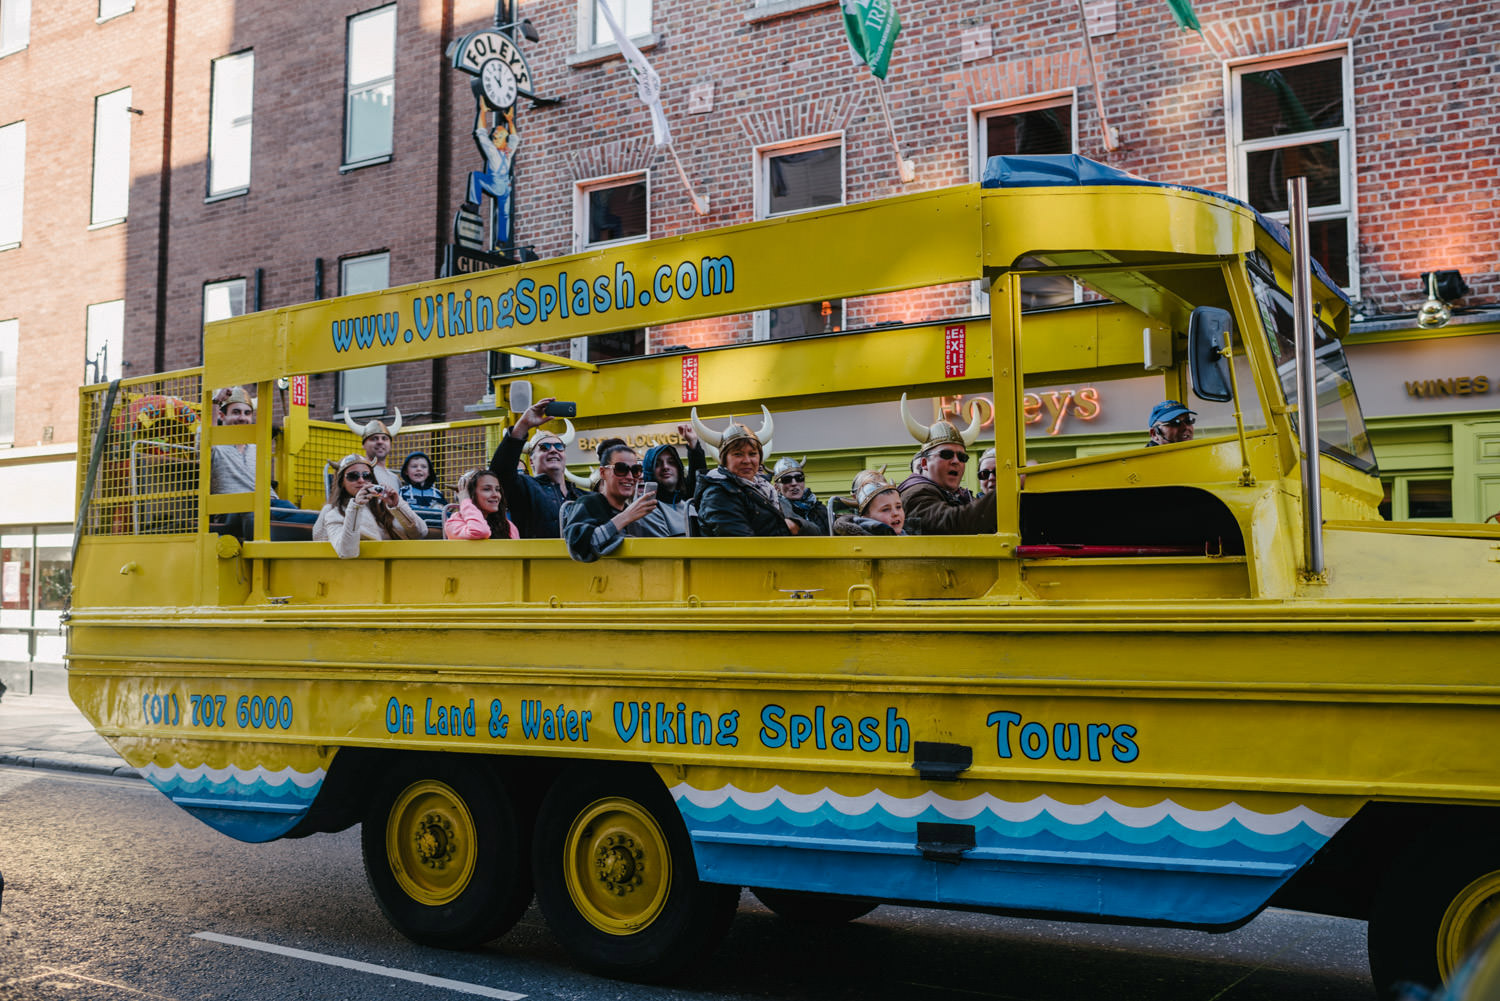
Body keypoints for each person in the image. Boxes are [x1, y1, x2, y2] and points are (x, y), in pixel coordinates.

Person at [691, 407, 816, 537]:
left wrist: (797, 525)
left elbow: (814, 530)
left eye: (752, 454)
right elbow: (743, 545)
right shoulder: (717, 494)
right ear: (724, 460)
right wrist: (788, 527)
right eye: (738, 454)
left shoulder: (766, 490)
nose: (747, 460)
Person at [895, 394, 996, 535]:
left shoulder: (958, 494)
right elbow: (951, 523)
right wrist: (1004, 493)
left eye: (962, 457)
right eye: (946, 455)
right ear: (924, 463)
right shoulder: (915, 493)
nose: (956, 461)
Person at [488, 397, 586, 538]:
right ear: (531, 461)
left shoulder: (582, 496)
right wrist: (523, 425)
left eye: (559, 446)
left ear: (564, 456)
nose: (553, 450)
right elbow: (500, 472)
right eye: (544, 447)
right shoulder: (524, 487)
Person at [313, 454, 426, 558]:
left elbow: (421, 533)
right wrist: (356, 507)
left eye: (366, 475)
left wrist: (397, 505)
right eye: (353, 476)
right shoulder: (333, 512)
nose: (361, 480)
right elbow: (346, 552)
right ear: (341, 481)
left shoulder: (385, 505)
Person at [561, 443, 658, 562]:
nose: (630, 477)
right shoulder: (588, 504)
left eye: (635, 470)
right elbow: (578, 548)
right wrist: (625, 517)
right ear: (602, 472)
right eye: (621, 469)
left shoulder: (634, 513)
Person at [639, 425, 708, 537]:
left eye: (671, 462)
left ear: (679, 468)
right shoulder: (647, 508)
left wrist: (693, 444)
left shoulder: (687, 503)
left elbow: (697, 479)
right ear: (649, 472)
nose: (665, 467)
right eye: (657, 464)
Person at [343, 408, 406, 494]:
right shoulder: (358, 473)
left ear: (390, 445)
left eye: (384, 439)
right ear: (363, 445)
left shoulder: (395, 478)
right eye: (374, 438)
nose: (380, 442)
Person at [444, 468, 519, 540]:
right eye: (487, 489)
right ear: (469, 494)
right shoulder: (454, 522)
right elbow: (479, 531)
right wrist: (465, 500)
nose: (495, 494)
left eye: (497, 489)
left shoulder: (506, 525)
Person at [770, 456, 830, 535]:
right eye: (787, 480)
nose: (794, 483)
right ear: (776, 487)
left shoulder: (820, 509)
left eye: (799, 478)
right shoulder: (775, 510)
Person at [834, 473, 909, 536]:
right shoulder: (857, 543)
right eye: (885, 509)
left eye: (898, 507)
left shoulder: (907, 537)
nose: (895, 513)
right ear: (866, 517)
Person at [399, 450, 446, 532]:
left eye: (423, 467)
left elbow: (445, 512)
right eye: (414, 466)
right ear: (406, 471)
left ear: (429, 472)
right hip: (413, 531)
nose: (419, 469)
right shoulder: (403, 492)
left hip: (436, 531)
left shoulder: (437, 494)